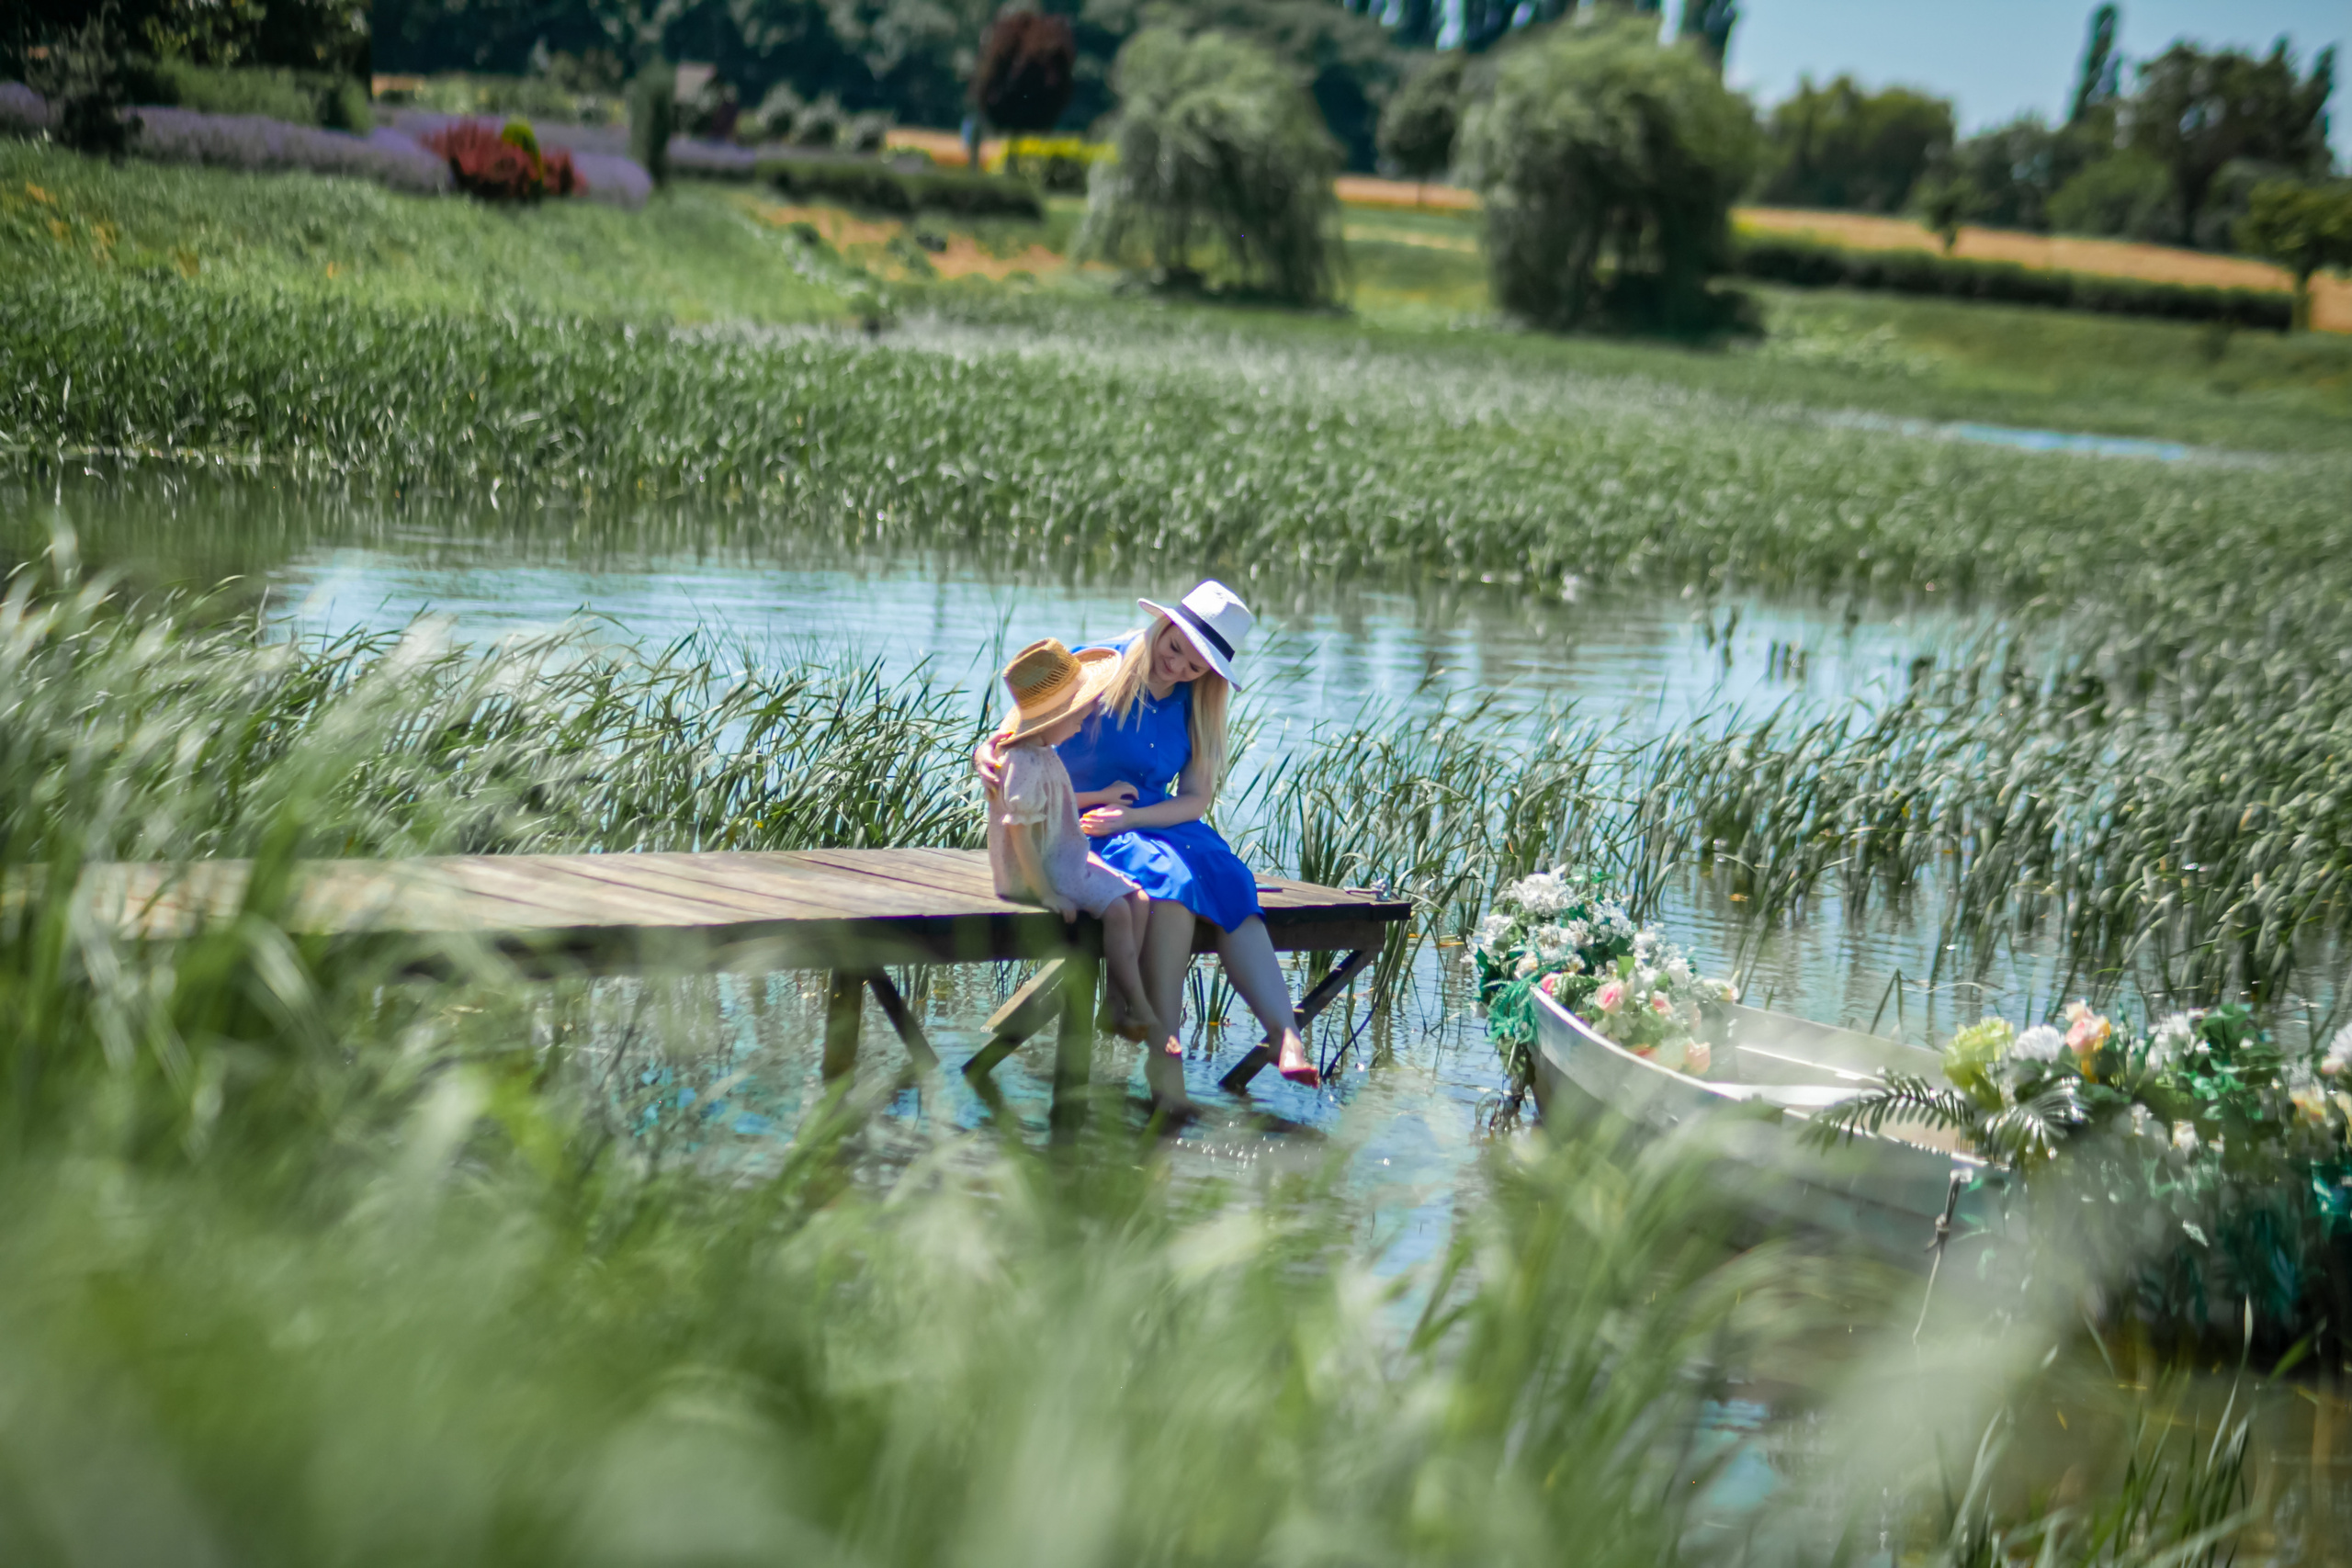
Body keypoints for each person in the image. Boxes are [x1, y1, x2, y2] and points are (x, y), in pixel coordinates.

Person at [976, 581, 1320, 1109]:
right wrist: (986, 751)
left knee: (1228, 875)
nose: (1177, 666)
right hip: (1084, 822)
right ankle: (1166, 1055)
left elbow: (1195, 799)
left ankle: (1285, 1034)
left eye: (1195, 666)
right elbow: (1017, 729)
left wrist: (1135, 817)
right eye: (1175, 647)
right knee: (1171, 880)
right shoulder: (1100, 666)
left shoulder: (1199, 700)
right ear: (1165, 625)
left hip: (1151, 818)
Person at [984, 638, 1167, 1059]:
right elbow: (1020, 833)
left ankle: (1118, 1004)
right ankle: (1137, 1004)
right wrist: (1046, 893)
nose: (1083, 724)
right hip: (1036, 871)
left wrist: (1102, 795)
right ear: (1053, 718)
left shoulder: (1043, 752)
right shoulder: (1023, 762)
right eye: (1080, 715)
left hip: (1061, 856)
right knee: (1118, 911)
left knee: (1138, 899)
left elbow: (1056, 801)